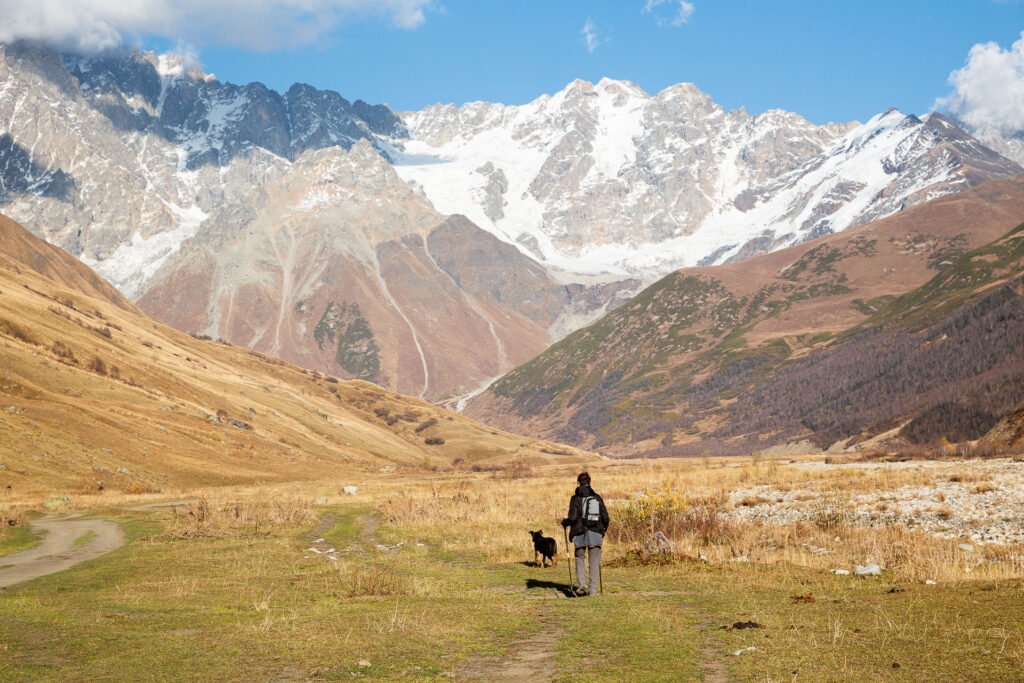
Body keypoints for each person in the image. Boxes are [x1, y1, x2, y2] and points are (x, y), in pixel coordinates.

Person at [561, 471, 609, 596]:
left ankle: (582, 583)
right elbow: (605, 517)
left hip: (579, 533)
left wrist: (565, 522)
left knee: (579, 557)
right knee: (594, 562)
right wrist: (603, 530)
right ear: (589, 482)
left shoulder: (575, 498)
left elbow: (572, 518)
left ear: (578, 483)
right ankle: (592, 591)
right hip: (596, 533)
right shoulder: (597, 498)